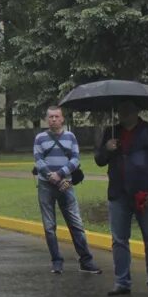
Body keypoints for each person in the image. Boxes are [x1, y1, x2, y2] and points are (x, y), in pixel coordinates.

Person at [95, 100, 148, 297]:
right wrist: (107, 149)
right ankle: (122, 281)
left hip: (145, 194)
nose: (123, 114)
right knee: (119, 240)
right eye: (120, 110)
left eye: (128, 110)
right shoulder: (112, 132)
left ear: (137, 111)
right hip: (119, 193)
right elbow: (99, 160)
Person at [32, 106, 100, 274]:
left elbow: (76, 159)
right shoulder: (40, 138)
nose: (53, 119)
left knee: (76, 223)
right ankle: (56, 261)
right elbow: (38, 160)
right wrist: (50, 176)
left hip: (66, 185)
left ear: (62, 119)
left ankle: (86, 261)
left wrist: (61, 174)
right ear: (47, 120)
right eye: (50, 117)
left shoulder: (71, 137)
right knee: (49, 226)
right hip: (45, 185)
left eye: (56, 116)